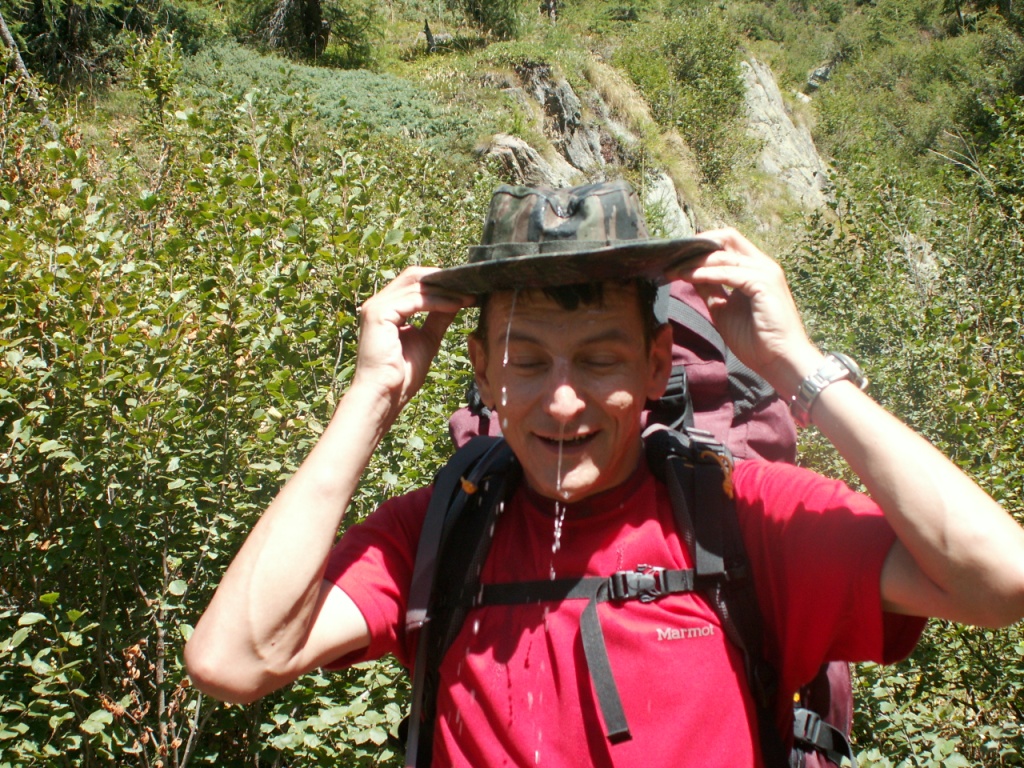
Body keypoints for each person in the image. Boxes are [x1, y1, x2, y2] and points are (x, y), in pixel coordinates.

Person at [185, 180, 1024, 766]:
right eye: (526, 361)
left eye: (599, 360)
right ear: (481, 371)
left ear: (659, 364)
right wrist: (373, 396)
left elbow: (1000, 579)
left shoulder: (740, 519)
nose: (561, 402)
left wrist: (796, 366)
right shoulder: (441, 530)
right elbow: (234, 659)